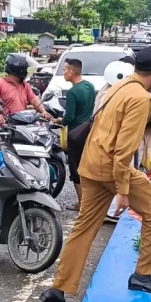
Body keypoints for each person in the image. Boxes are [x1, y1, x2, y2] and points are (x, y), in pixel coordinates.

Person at [40, 45, 151, 302]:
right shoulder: (140, 98)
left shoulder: (118, 87)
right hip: (113, 168)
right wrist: (122, 191)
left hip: (91, 164)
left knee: (84, 228)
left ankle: (59, 289)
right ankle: (143, 275)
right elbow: (124, 149)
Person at [0, 53, 51, 159]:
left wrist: (43, 112)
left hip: (21, 129)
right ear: (20, 70)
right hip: (2, 129)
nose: (27, 72)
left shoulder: (25, 86)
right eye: (25, 69)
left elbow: (34, 100)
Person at [56, 57, 96, 211]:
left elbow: (69, 117)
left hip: (75, 135)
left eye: (65, 70)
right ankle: (90, 201)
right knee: (87, 167)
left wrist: (59, 120)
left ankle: (82, 204)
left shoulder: (73, 92)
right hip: (88, 131)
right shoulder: (90, 86)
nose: (64, 72)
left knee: (75, 168)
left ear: (71, 72)